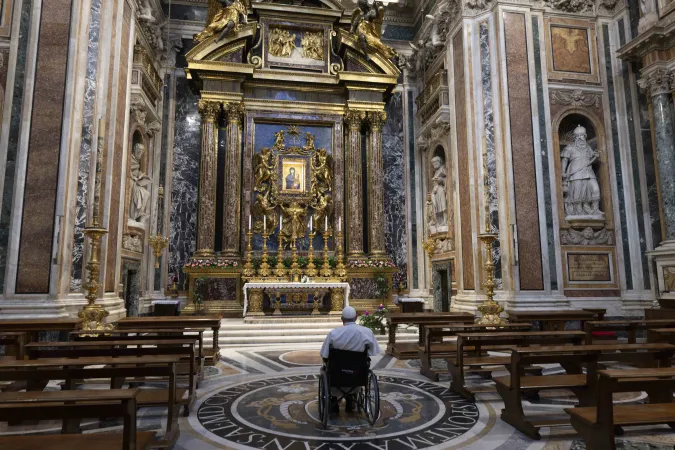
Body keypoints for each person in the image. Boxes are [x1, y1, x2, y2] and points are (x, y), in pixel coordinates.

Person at [320, 306, 381, 413]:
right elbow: (373, 351)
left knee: (327, 368)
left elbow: (324, 355)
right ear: (356, 317)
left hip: (337, 376)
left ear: (342, 319)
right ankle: (351, 399)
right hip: (358, 375)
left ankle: (333, 401)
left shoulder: (333, 333)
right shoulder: (367, 332)